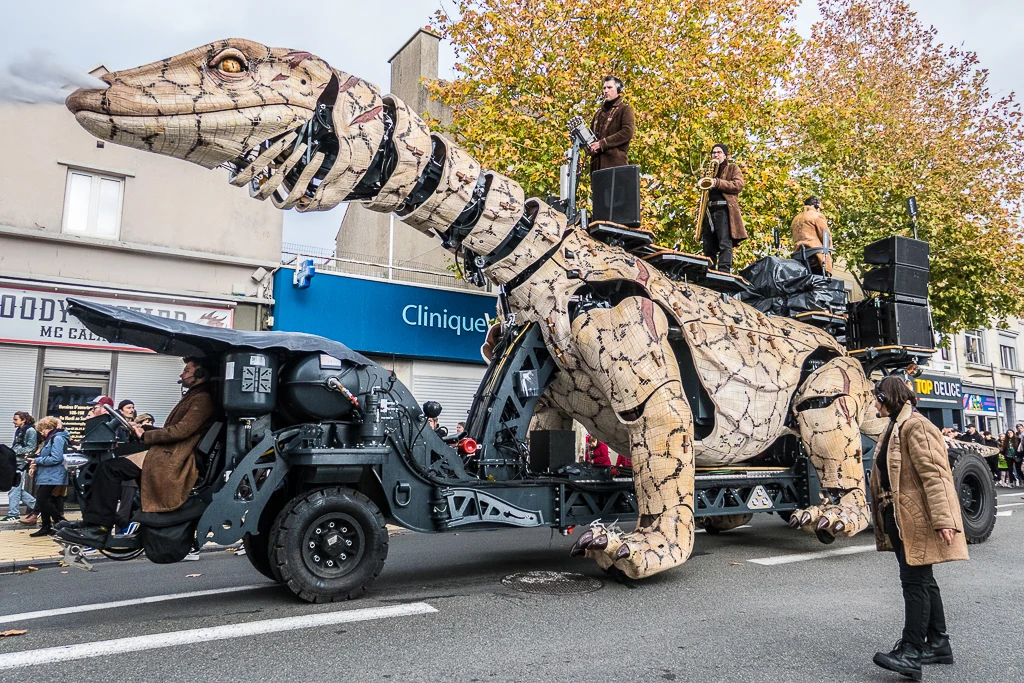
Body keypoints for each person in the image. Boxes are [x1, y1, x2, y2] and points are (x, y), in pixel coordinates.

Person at [869, 376, 968, 679]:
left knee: (914, 582)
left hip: (917, 517)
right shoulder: (895, 427)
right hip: (899, 516)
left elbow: (936, 476)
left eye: (878, 398)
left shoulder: (917, 426)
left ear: (889, 398)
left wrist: (944, 520)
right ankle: (938, 643)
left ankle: (912, 651)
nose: (874, 404)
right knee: (924, 580)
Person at [60, 357, 216, 547]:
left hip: (175, 458)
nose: (182, 374)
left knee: (109, 469)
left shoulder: (202, 398)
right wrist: (146, 430)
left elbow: (181, 431)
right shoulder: (195, 395)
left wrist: (145, 436)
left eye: (186, 370)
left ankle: (98, 527)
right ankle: (95, 522)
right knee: (108, 468)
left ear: (199, 375)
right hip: (168, 453)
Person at [699, 143, 747, 274]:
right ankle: (708, 271)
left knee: (725, 242)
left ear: (725, 155)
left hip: (724, 210)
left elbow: (738, 185)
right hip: (709, 211)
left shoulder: (732, 168)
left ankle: (723, 271)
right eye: (713, 153)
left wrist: (717, 182)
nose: (715, 155)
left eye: (719, 152)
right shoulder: (708, 171)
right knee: (708, 245)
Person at [26, 416, 70, 537]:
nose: (41, 433)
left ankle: (58, 520)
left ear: (49, 428)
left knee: (42, 499)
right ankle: (46, 526)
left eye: (42, 430)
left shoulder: (57, 438)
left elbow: (57, 458)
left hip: (53, 474)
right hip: (48, 474)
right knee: (44, 498)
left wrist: (38, 460)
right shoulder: (52, 438)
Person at [588, 75, 635, 174]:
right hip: (596, 168)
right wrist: (588, 148)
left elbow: (627, 132)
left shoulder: (625, 110)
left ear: (618, 89)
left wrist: (602, 144)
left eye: (609, 87)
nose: (606, 91)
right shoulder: (598, 114)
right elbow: (590, 138)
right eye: (604, 88)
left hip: (616, 167)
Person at [5, 412, 39, 523]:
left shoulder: (30, 431)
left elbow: (31, 448)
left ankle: (13, 514)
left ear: (23, 420)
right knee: (15, 489)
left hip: (21, 463)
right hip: (17, 462)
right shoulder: (20, 430)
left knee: (14, 489)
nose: (13, 422)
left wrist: (13, 451)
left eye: (16, 419)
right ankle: (39, 507)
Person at [790, 196, 833, 275]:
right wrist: (829, 250)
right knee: (824, 283)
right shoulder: (817, 216)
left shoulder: (795, 219)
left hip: (798, 258)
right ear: (816, 206)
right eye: (819, 208)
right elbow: (826, 236)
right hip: (816, 257)